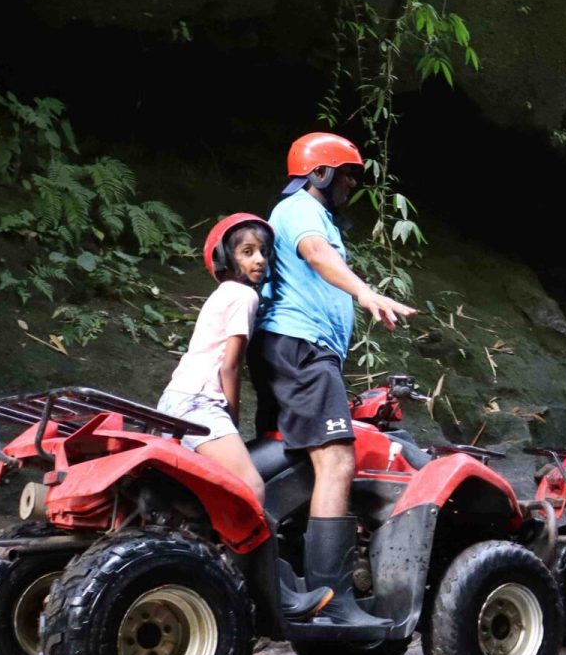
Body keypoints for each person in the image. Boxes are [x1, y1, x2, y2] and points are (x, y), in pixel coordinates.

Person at [251, 132, 416, 628]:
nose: (349, 184)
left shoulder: (312, 213)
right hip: (303, 348)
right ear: (319, 173)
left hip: (295, 350)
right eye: (345, 173)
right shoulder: (300, 209)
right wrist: (367, 293)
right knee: (337, 459)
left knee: (295, 456)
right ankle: (334, 600)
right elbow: (317, 255)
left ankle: (287, 581)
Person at [161, 212, 330, 620]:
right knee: (252, 489)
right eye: (247, 252)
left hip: (175, 400)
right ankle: (270, 594)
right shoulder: (243, 296)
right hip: (202, 403)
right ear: (227, 259)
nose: (259, 261)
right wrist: (231, 417)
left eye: (263, 254)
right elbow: (230, 366)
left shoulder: (221, 296)